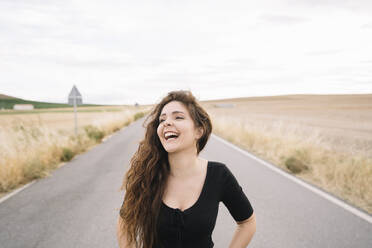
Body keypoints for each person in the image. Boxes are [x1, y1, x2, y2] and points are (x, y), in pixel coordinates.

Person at [117, 90, 256, 248]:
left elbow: (247, 222)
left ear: (199, 131)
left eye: (178, 117)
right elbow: (124, 222)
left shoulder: (219, 175)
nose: (167, 123)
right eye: (162, 120)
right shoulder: (148, 175)